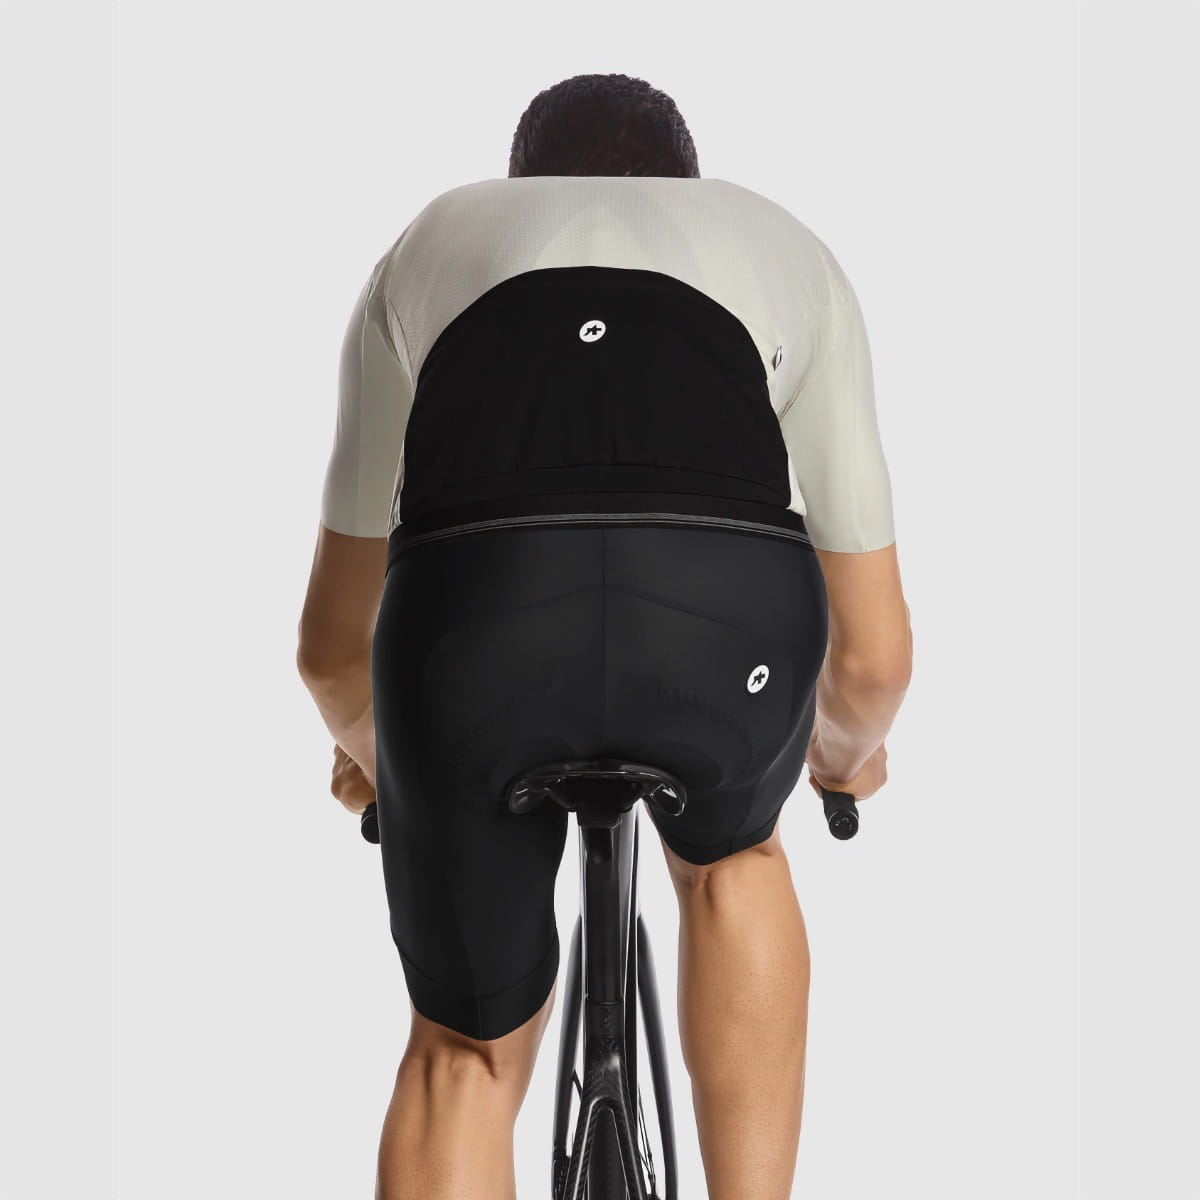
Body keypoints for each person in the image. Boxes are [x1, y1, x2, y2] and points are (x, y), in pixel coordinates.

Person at [297, 72, 912, 1200]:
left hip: (475, 626)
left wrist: (390, 764)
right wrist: (840, 760)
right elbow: (873, 658)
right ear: (690, 186)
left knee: (463, 1053)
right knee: (735, 862)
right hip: (720, 622)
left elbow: (333, 651)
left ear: (519, 186)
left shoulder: (431, 243)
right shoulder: (784, 246)